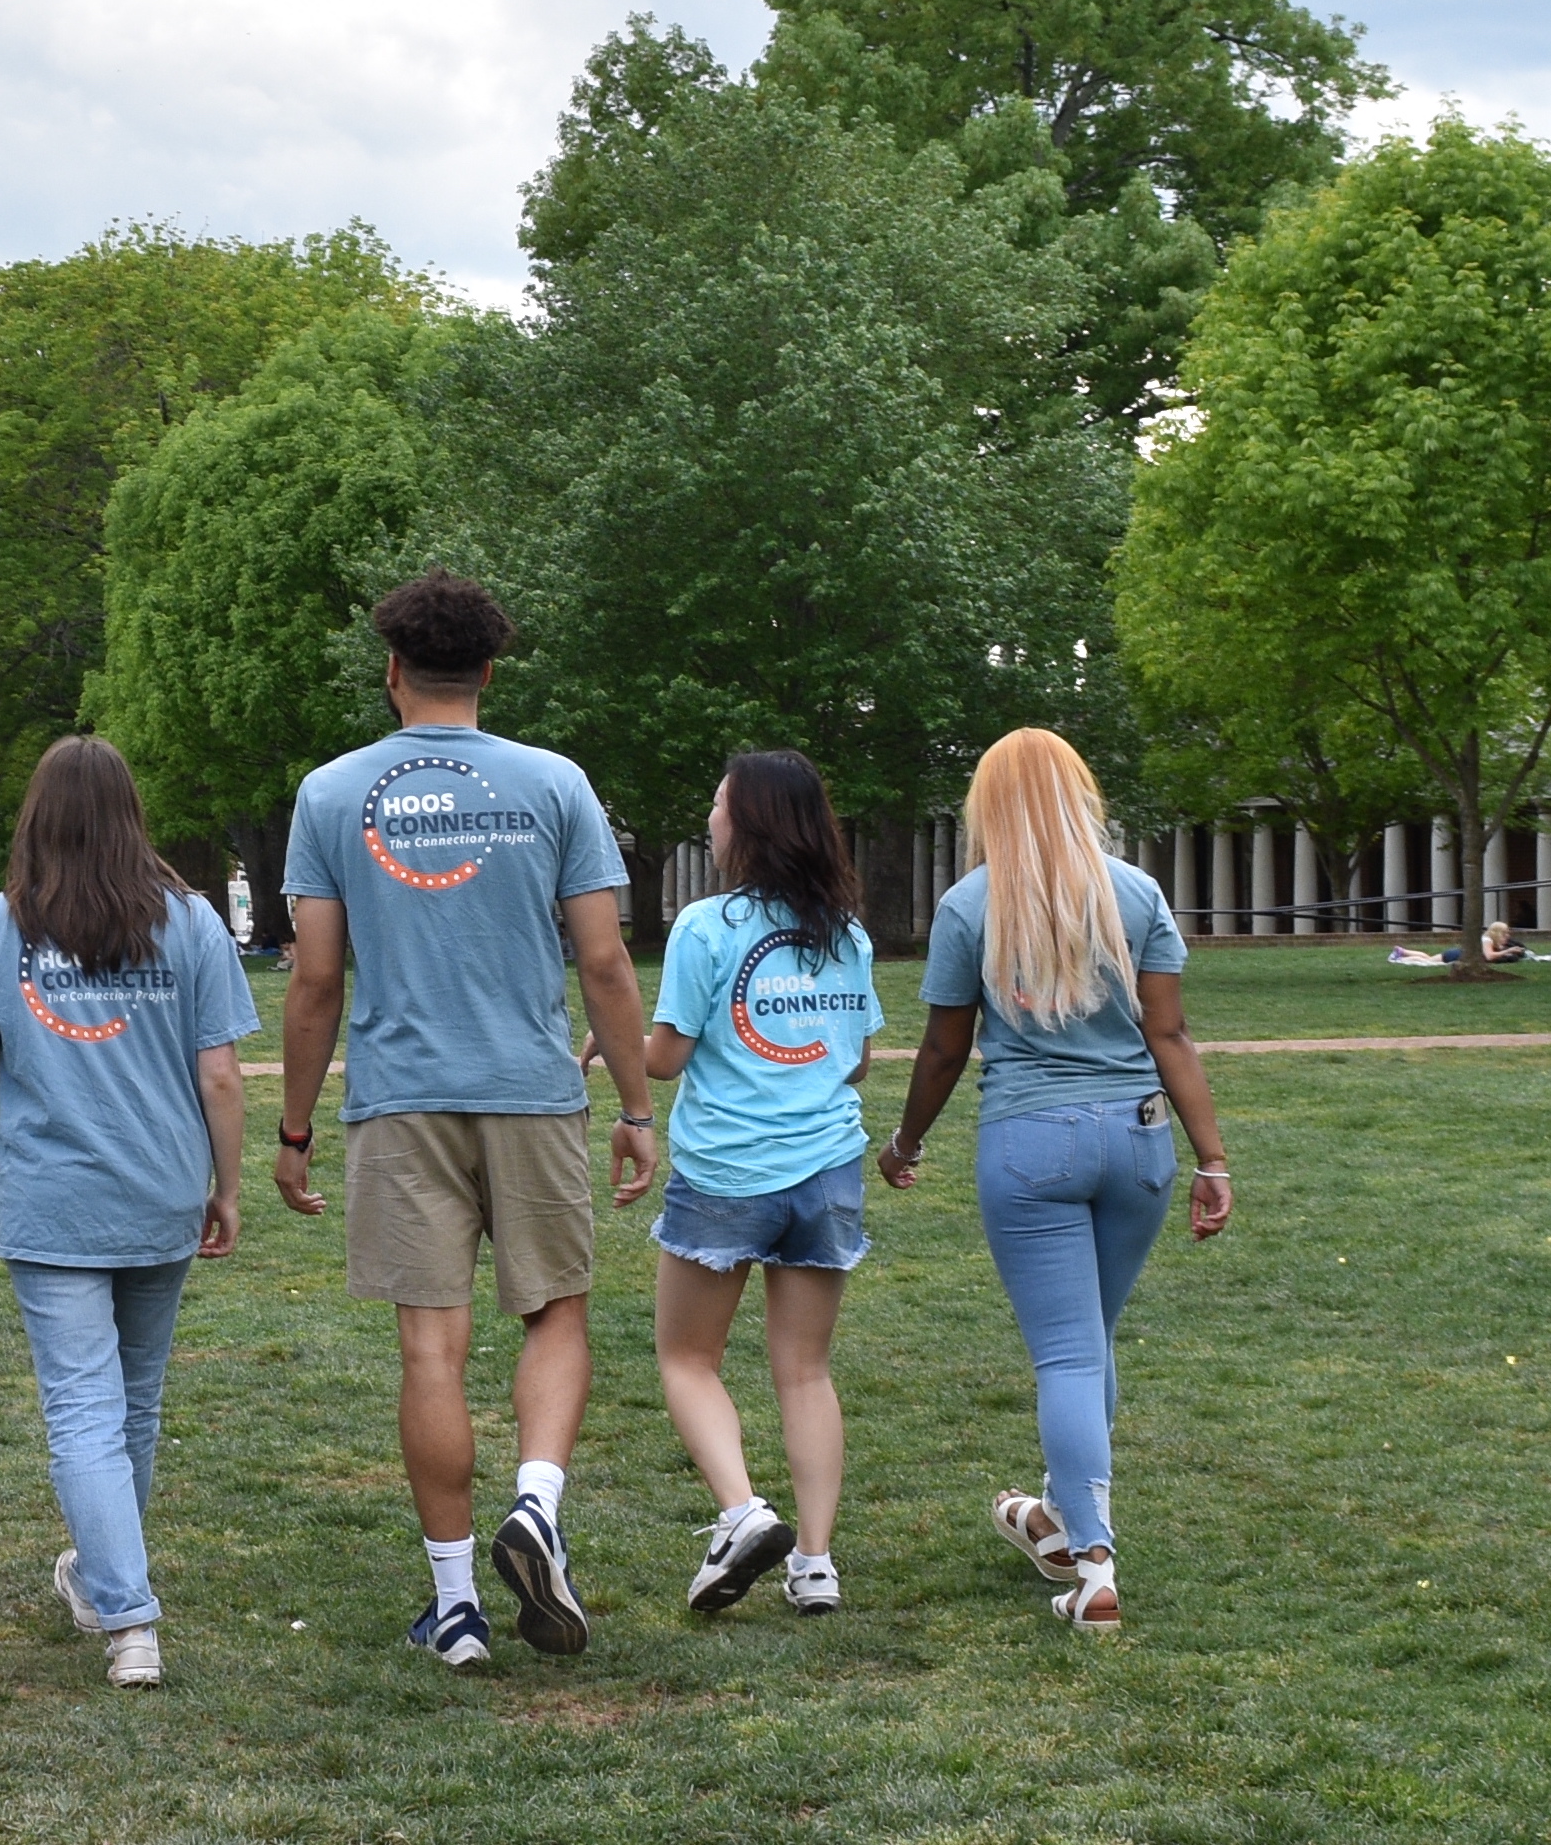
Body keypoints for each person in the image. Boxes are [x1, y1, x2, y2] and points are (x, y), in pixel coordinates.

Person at [271, 569, 656, 1670]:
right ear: (487, 672)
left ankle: (454, 1607)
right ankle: (535, 1506)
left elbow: (314, 980)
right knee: (554, 1312)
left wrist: (294, 1129)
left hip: (399, 1100)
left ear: (391, 671)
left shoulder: (333, 793)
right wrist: (634, 1106)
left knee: (429, 1345)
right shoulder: (555, 783)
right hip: (532, 1089)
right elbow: (603, 959)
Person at [878, 727, 1235, 1634]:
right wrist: (1212, 1158)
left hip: (1028, 1144)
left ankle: (1092, 1560)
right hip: (1140, 1141)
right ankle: (1054, 1520)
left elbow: (943, 1048)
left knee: (1070, 1354)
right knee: (1093, 1342)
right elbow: (1171, 1037)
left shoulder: (968, 905)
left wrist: (906, 1143)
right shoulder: (1136, 892)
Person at [0, 735, 256, 1691]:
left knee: (85, 1409)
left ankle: (126, 1615)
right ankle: (111, 1587)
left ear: (37, 818)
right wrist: (224, 1188)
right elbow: (221, 1075)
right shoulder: (189, 925)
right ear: (128, 817)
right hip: (158, 1191)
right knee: (130, 1406)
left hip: (53, 1201)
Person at [645, 751, 884, 1620]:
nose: (708, 818)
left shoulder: (704, 927)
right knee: (805, 1370)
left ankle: (742, 1512)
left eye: (716, 804)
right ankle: (814, 1564)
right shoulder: (846, 934)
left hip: (723, 1172)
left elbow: (666, 1059)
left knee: (685, 1357)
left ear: (746, 824)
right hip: (827, 1171)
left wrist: (617, 1045)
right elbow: (854, 1064)